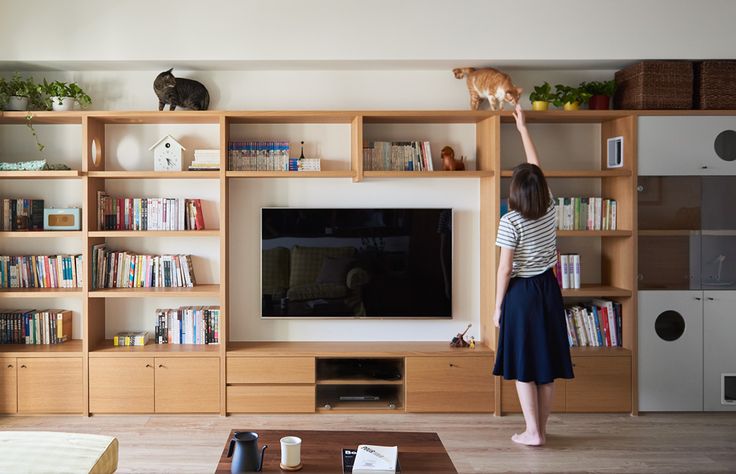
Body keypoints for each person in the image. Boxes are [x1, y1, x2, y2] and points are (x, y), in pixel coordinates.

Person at [492, 104, 574, 446]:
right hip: (548, 289)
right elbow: (536, 169)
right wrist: (523, 128)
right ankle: (540, 429)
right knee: (545, 363)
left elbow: (506, 268)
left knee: (524, 364)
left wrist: (498, 307)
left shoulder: (510, 221)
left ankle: (533, 432)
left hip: (522, 295)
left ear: (514, 191)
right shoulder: (550, 206)